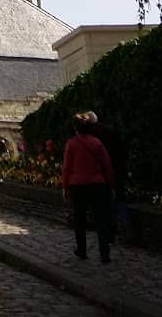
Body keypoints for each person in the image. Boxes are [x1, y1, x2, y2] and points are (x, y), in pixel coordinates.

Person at [61, 113, 115, 263]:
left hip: (77, 185)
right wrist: (110, 184)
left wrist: (65, 187)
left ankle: (82, 251)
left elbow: (66, 168)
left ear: (76, 129)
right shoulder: (97, 143)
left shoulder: (71, 144)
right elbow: (107, 165)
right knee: (101, 220)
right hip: (97, 184)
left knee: (79, 219)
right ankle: (105, 254)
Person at [86, 111, 128, 243]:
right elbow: (121, 149)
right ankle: (121, 223)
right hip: (116, 169)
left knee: (102, 203)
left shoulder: (89, 136)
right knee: (119, 196)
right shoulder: (110, 130)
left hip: (100, 173)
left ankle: (106, 230)